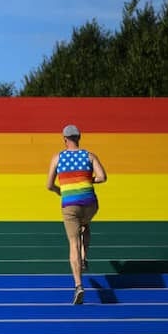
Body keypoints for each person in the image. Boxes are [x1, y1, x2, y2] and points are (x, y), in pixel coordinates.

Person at [45, 125, 107, 304]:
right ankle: (84, 256)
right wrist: (87, 179)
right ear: (79, 137)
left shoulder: (58, 157)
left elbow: (49, 185)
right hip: (90, 204)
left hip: (70, 205)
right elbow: (103, 177)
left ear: (64, 139)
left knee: (73, 242)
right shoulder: (89, 155)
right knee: (85, 225)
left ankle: (79, 285)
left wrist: (60, 190)